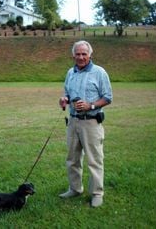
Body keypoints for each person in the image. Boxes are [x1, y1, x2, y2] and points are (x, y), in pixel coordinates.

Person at [59, 40, 112, 208]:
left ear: (90, 55)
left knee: (94, 160)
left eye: (84, 54)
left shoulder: (99, 72)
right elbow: (67, 93)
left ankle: (97, 193)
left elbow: (107, 97)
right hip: (73, 122)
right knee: (72, 158)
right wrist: (64, 100)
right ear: (73, 55)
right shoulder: (70, 72)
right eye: (78, 54)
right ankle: (75, 189)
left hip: (91, 123)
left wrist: (91, 105)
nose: (81, 57)